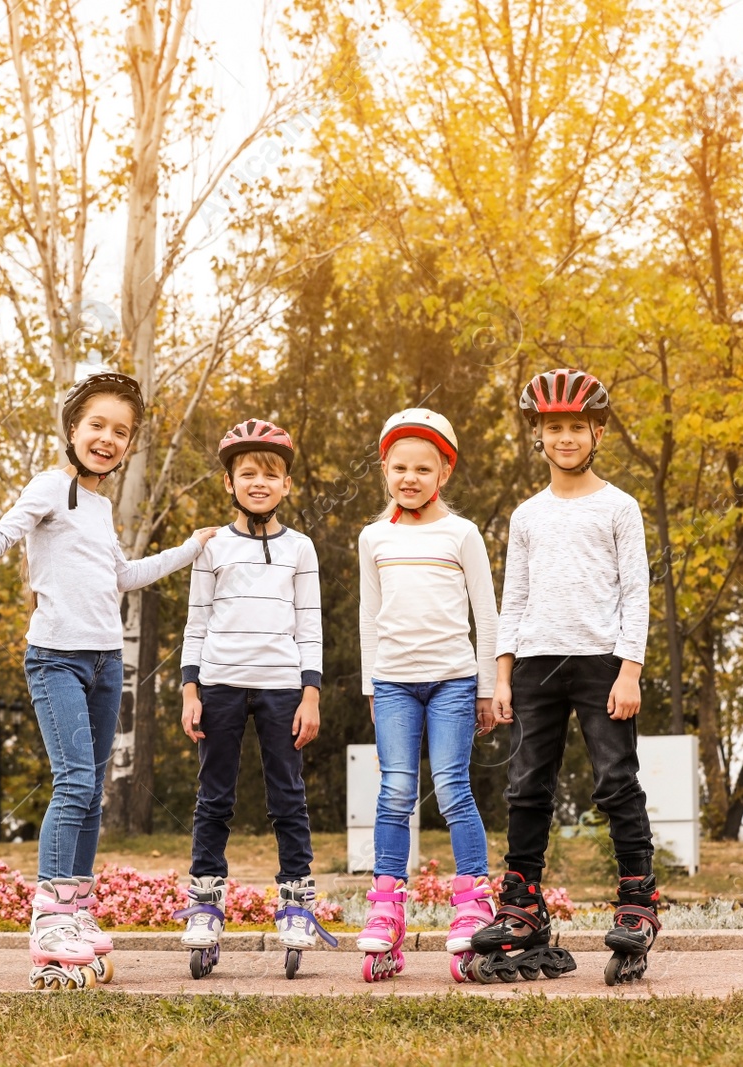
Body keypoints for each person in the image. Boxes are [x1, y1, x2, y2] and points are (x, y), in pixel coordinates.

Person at [0, 371, 218, 989]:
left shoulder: (100, 508)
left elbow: (121, 576)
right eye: (97, 425)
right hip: (57, 659)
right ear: (73, 430)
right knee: (74, 780)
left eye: (120, 432)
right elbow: (4, 532)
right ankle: (49, 918)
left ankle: (76, 910)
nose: (108, 438)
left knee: (92, 790)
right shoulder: (51, 486)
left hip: (106, 662)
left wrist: (189, 547)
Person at [470, 368, 655, 987]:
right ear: (539, 435)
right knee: (526, 789)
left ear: (598, 431)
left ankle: (638, 902)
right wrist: (502, 675)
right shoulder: (527, 515)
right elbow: (512, 599)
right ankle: (521, 903)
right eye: (555, 428)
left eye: (578, 426)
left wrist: (630, 671)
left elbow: (637, 594)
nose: (567, 437)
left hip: (602, 663)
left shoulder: (619, 507)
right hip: (534, 665)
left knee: (614, 782)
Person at [175, 418, 335, 981]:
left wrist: (310, 694)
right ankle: (204, 905)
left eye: (270, 474)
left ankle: (295, 905)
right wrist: (190, 688)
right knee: (213, 798)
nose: (259, 483)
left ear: (287, 484)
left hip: (281, 686)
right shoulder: (211, 546)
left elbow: (310, 623)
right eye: (247, 473)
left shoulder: (301, 547)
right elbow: (195, 621)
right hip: (218, 683)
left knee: (287, 797)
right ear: (229, 483)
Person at [355, 408, 499, 984]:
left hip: (453, 680)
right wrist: (370, 685)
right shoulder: (374, 537)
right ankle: (387, 905)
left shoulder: (461, 534)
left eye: (422, 467)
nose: (409, 477)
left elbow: (485, 616)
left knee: (454, 788)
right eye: (398, 467)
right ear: (385, 471)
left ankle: (471, 902)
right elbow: (369, 614)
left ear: (444, 472)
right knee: (394, 790)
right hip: (392, 681)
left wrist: (487, 689)